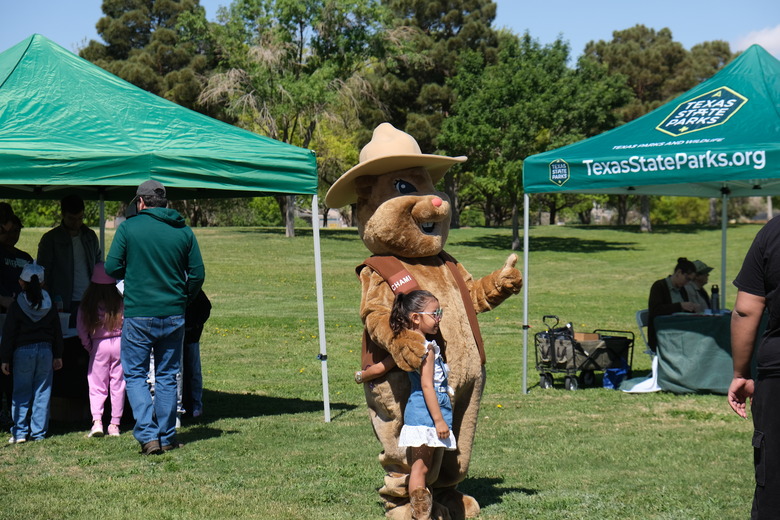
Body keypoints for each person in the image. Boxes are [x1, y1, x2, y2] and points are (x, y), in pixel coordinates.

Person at [105, 180, 205, 455]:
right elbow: (197, 274)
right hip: (174, 313)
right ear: (164, 203)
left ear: (140, 202)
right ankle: (166, 435)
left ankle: (148, 436)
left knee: (135, 374)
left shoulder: (128, 228)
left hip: (139, 314)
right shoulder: (183, 231)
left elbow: (112, 266)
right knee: (167, 376)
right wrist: (183, 297)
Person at [728, 216, 780, 518]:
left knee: (774, 484)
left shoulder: (772, 233)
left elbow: (746, 311)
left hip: (776, 379)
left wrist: (740, 374)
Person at [392, 290, 456, 519]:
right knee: (419, 468)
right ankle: (420, 515)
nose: (439, 317)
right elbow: (427, 386)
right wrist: (439, 420)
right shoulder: (426, 350)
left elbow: (387, 363)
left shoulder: (412, 344)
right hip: (426, 415)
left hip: (423, 413)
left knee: (423, 467)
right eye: (434, 313)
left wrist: (364, 375)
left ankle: (422, 513)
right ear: (416, 318)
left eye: (440, 312)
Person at [0, 262, 64, 443]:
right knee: (42, 392)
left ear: (21, 282)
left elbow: (9, 333)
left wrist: (5, 357)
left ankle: (19, 432)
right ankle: (39, 433)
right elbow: (57, 330)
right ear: (42, 283)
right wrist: (58, 353)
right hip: (46, 351)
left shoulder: (16, 305)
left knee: (21, 392)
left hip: (22, 352)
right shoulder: (50, 303)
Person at [77, 262, 125, 438]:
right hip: (119, 344)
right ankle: (115, 424)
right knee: (118, 385)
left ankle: (97, 421)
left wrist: (89, 346)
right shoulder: (119, 301)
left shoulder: (87, 304)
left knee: (97, 385)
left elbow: (81, 328)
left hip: (98, 346)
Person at [37, 194, 101, 324]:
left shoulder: (90, 236)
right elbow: (43, 273)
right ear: (62, 214)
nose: (76, 223)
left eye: (80, 218)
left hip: (88, 299)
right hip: (61, 302)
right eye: (72, 219)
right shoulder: (50, 239)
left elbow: (99, 266)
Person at [647, 257, 701, 351]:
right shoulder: (659, 286)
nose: (687, 283)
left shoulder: (682, 290)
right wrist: (680, 306)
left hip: (679, 333)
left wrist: (691, 308)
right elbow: (655, 310)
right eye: (687, 279)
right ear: (679, 272)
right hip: (663, 334)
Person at [182, 290, 211, 418]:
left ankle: (196, 404)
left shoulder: (195, 291)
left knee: (194, 371)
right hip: (175, 336)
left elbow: (206, 307)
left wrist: (197, 325)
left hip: (191, 335)